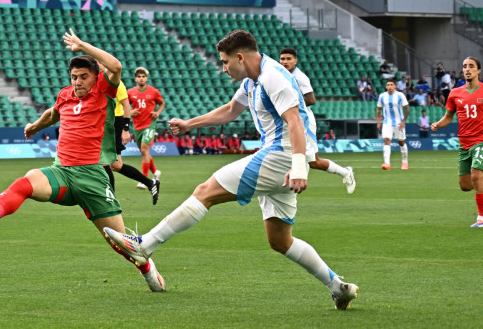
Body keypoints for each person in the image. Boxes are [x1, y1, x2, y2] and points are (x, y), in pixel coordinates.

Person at [104, 30, 358, 308]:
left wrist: (298, 166)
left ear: (240, 57)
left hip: (282, 154)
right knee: (280, 240)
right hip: (280, 156)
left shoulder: (274, 76)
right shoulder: (253, 79)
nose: (223, 68)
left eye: (225, 62)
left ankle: (145, 245)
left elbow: (295, 120)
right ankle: (338, 286)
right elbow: (230, 111)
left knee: (206, 191)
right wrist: (190, 124)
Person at [0, 29, 166, 291]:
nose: (78, 82)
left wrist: (81, 45)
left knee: (121, 242)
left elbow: (115, 66)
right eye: (74, 77)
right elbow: (51, 114)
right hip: (63, 173)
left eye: (83, 77)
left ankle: (148, 270)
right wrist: (35, 127)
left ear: (95, 78)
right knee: (28, 180)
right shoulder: (65, 95)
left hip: (92, 177)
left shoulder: (103, 91)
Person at [431, 57, 483, 228]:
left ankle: (481, 219)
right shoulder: (455, 93)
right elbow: (448, 117)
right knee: (465, 185)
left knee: (476, 175)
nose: (467, 69)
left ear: (478, 70)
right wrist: (438, 124)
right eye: (464, 67)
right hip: (464, 143)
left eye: (471, 66)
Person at [278, 47, 355, 194]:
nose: (285, 62)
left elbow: (311, 99)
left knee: (313, 161)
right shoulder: (280, 75)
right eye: (282, 59)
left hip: (303, 121)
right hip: (289, 119)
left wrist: (289, 107)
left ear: (295, 60)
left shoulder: (300, 77)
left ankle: (345, 172)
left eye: (288, 59)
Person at [101, 64, 159, 204]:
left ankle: (111, 199)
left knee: (104, 162)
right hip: (106, 123)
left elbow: (126, 105)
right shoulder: (100, 81)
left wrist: (125, 129)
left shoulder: (116, 83)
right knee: (116, 165)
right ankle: (151, 183)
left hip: (114, 124)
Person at [127, 67, 165, 188]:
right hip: (137, 125)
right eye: (139, 77)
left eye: (143, 76)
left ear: (146, 78)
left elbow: (162, 103)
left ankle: (144, 180)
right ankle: (155, 172)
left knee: (144, 150)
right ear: (135, 79)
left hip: (150, 124)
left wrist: (157, 113)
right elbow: (124, 106)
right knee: (145, 152)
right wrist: (131, 111)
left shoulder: (154, 91)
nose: (141, 78)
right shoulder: (130, 92)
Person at [376, 79, 409, 170]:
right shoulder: (382, 96)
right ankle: (387, 164)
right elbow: (378, 110)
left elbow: (407, 109)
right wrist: (378, 122)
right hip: (387, 122)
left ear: (395, 86)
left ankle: (405, 162)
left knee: (401, 142)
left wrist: (403, 121)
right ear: (386, 87)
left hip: (399, 123)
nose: (389, 86)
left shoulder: (400, 95)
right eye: (388, 85)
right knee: (387, 140)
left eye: (391, 84)